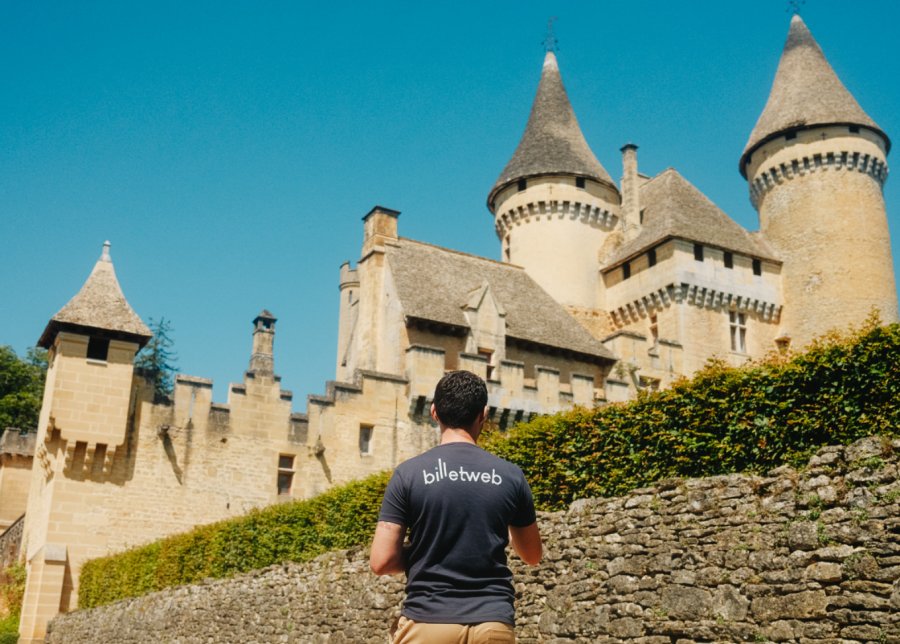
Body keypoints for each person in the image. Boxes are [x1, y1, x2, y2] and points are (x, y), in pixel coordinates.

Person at [370, 370, 542, 643]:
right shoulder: (511, 475)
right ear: (483, 415)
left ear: (434, 412)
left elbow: (381, 561)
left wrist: (426, 550)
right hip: (493, 622)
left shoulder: (408, 474)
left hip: (428, 620)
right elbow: (532, 555)